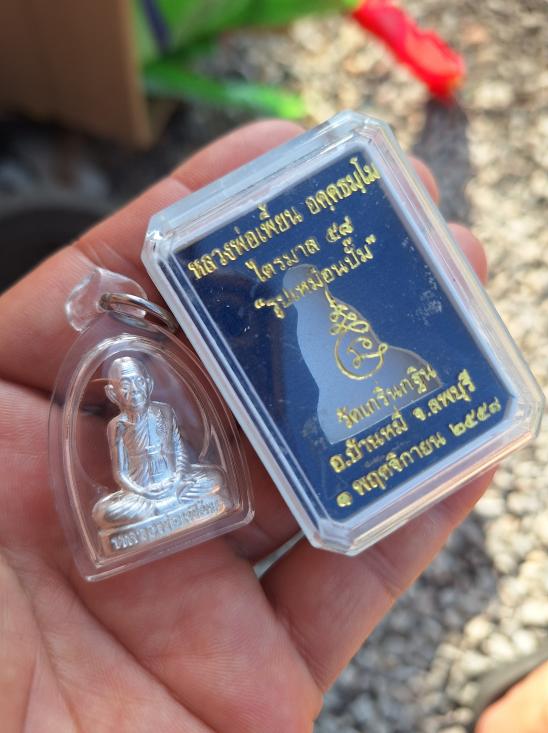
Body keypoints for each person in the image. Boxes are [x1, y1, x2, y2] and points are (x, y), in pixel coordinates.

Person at [0, 120, 494, 732]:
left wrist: (174, 486)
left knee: (207, 486)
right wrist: (151, 492)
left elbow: (185, 462)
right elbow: (132, 479)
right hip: (149, 501)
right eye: (122, 389)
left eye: (137, 385)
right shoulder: (126, 426)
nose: (133, 394)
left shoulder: (168, 408)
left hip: (185, 491)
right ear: (113, 392)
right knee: (114, 511)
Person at [93, 355, 220, 530]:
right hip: (142, 494)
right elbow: (120, 473)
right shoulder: (117, 426)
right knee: (104, 512)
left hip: (175, 485)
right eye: (125, 386)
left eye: (139, 382)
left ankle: (158, 511)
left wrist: (177, 478)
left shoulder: (164, 411)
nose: (135, 390)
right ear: (113, 393)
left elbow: (179, 450)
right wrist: (142, 491)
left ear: (149, 384)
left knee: (214, 477)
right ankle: (166, 508)